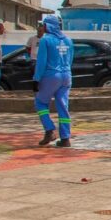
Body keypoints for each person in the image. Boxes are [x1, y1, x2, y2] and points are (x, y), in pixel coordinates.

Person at [33, 16, 74, 148]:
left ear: (48, 26)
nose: (41, 28)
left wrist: (36, 79)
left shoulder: (46, 40)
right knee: (63, 106)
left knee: (40, 102)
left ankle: (49, 130)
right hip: (66, 76)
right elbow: (70, 59)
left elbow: (41, 62)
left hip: (51, 76)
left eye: (43, 25)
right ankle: (66, 138)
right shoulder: (68, 40)